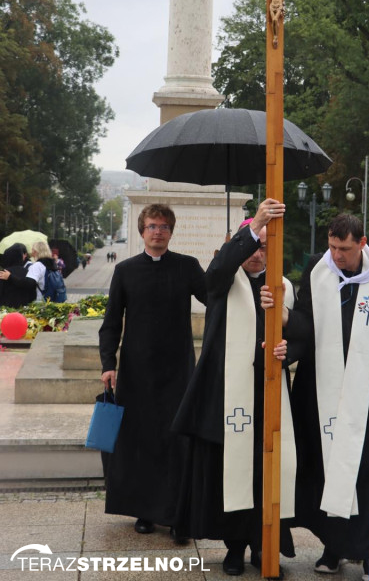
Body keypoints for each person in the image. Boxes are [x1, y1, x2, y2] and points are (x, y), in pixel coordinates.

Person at [263, 214, 369, 581]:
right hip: (319, 387)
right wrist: (284, 327)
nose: (337, 256)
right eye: (332, 247)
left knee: (367, 473)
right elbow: (308, 324)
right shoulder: (317, 269)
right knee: (325, 467)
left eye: (344, 249)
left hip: (368, 392)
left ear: (362, 243)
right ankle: (334, 546)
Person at [172, 198, 298, 576]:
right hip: (229, 398)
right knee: (232, 472)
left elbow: (305, 333)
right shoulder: (224, 281)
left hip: (269, 394)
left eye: (264, 247)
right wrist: (256, 223)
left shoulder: (284, 287)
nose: (258, 255)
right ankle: (234, 548)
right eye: (252, 246)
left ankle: (265, 544)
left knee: (266, 472)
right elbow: (214, 272)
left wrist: (289, 346)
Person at [98, 204, 207, 538]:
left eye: (163, 226)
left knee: (176, 441)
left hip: (178, 371)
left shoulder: (187, 267)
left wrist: (223, 264)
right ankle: (144, 511)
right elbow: (112, 322)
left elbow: (216, 299)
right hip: (137, 371)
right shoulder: (127, 271)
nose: (157, 231)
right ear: (142, 231)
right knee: (141, 442)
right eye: (151, 226)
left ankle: (177, 515)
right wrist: (108, 365)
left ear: (171, 231)